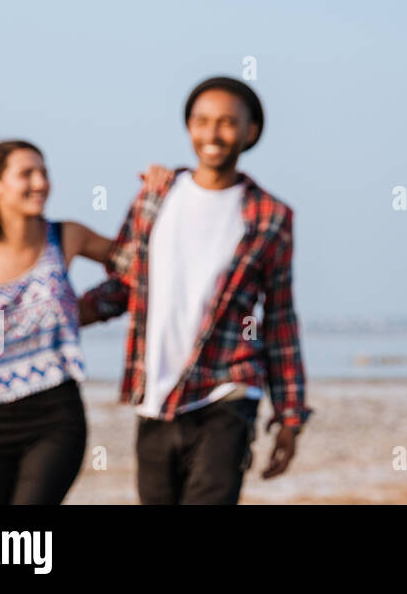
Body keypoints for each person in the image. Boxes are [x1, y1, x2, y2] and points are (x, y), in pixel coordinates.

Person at [77, 76, 311, 505]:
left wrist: (290, 415)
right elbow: (124, 287)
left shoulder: (271, 216)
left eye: (226, 122)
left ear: (250, 131)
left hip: (227, 389)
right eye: (202, 121)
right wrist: (59, 319)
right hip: (155, 395)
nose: (212, 133)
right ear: (188, 128)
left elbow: (279, 319)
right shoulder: (155, 196)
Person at [0, 140, 167, 504]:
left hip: (56, 417)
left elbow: (140, 267)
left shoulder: (65, 236)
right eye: (27, 174)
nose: (40, 183)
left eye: (44, 172)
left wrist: (151, 198)